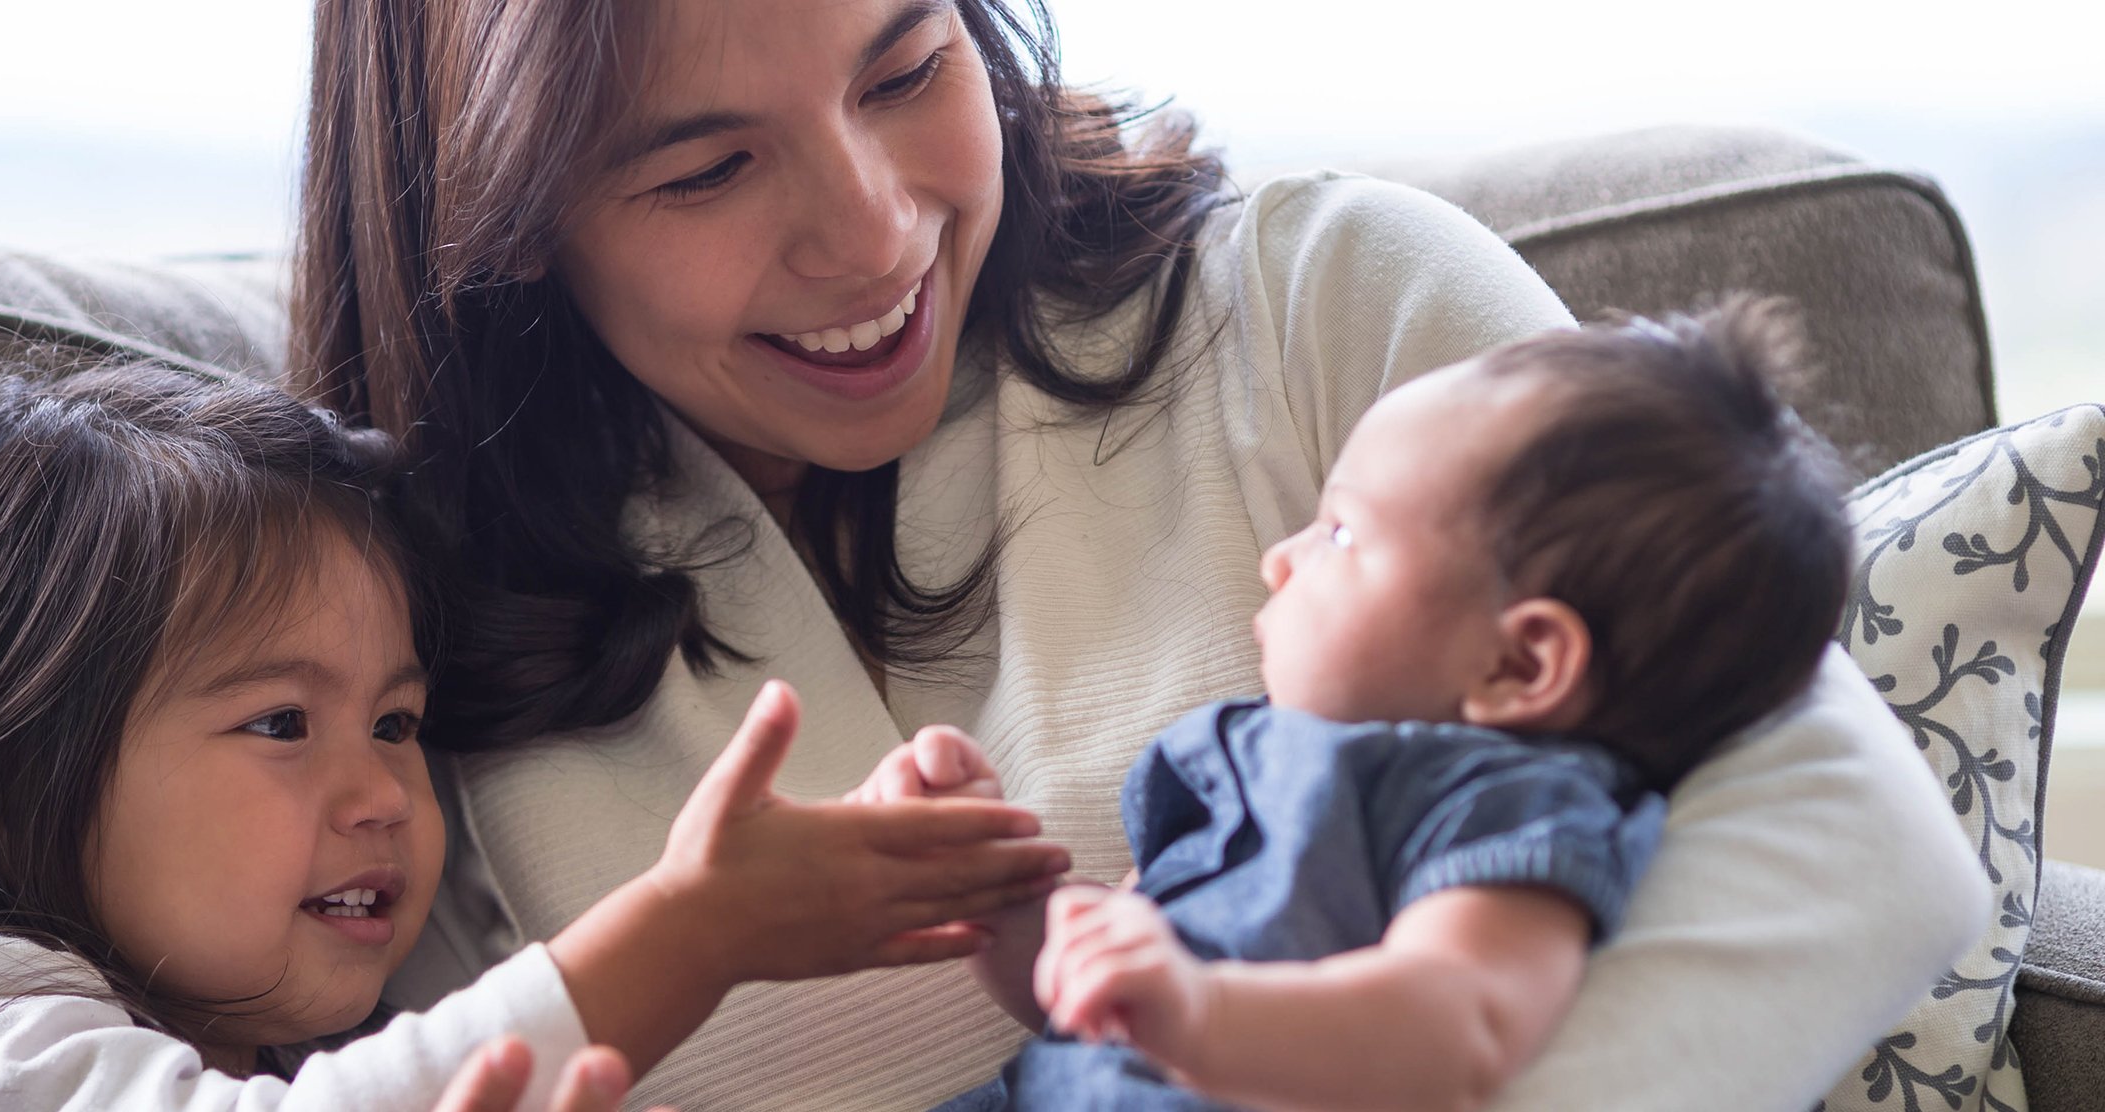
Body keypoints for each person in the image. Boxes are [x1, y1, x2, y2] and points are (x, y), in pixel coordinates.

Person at [286, 0, 1987, 1107]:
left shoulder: (1330, 304)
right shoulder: (368, 647)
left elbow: (1864, 846)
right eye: (709, 167)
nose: (876, 228)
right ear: (492, 216)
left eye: (905, 69)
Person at [0, 345, 1066, 1111]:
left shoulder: (309, 1043)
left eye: (399, 721)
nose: (382, 796)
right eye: (283, 721)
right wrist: (686, 932)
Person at [908, 301, 1857, 1110]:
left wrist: (1199, 1011)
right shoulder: (1253, 757)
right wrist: (1008, 906)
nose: (1281, 557)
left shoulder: (1508, 801)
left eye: (1341, 532)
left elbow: (1461, 1020)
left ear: (1522, 662)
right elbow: (1085, 995)